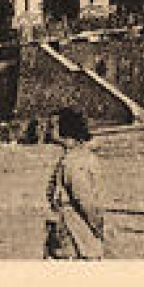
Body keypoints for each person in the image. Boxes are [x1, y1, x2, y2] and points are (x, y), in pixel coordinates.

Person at [44, 108, 105, 260]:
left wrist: (96, 226)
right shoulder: (74, 157)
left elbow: (84, 200)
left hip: (75, 228)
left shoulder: (75, 162)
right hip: (70, 226)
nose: (48, 130)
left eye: (52, 126)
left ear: (66, 129)